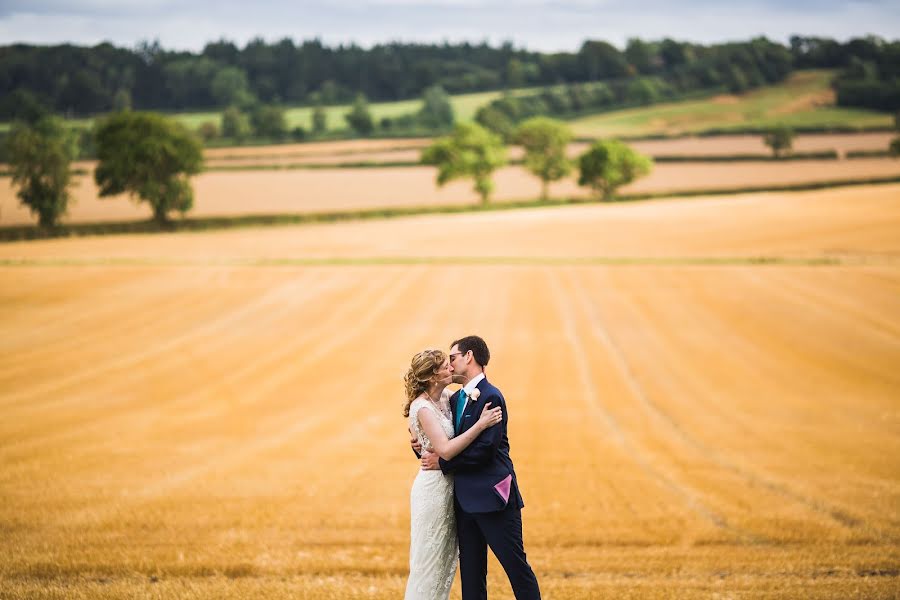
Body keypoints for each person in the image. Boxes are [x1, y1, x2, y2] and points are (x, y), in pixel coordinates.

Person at [418, 336, 542, 600]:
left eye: (452, 358)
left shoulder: (490, 396)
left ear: (469, 356)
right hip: (463, 503)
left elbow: (484, 452)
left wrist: (443, 463)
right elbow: (443, 441)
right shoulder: (454, 400)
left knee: (516, 568)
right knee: (472, 579)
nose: (449, 366)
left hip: (494, 498)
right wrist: (420, 446)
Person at [404, 348, 503, 600]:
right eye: (445, 365)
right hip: (433, 492)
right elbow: (446, 450)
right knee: (429, 562)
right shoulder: (423, 408)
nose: (451, 367)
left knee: (445, 563)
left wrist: (420, 445)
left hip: (451, 489)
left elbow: (437, 438)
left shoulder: (448, 398)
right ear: (433, 376)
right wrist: (481, 424)